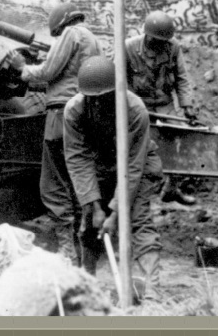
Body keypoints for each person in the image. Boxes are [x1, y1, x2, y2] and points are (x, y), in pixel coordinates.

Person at [4, 1, 102, 265]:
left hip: (61, 116)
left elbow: (48, 72)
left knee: (53, 183)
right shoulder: (93, 39)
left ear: (61, 23)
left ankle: (68, 250)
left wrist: (21, 67)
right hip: (86, 113)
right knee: (79, 178)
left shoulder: (70, 34)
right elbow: (62, 77)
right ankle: (86, 248)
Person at [63, 56, 163, 301]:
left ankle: (153, 291)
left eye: (104, 98)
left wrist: (117, 213)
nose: (97, 104)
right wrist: (96, 208)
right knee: (89, 223)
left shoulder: (135, 110)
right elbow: (78, 159)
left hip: (136, 163)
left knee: (138, 221)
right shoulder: (74, 110)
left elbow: (133, 165)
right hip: (99, 163)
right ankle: (87, 284)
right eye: (91, 99)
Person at [125, 10, 197, 206]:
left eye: (163, 41)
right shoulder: (129, 48)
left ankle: (171, 190)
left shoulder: (172, 48)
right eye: (156, 40)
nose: (160, 44)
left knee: (181, 142)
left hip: (164, 103)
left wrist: (187, 106)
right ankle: (136, 195)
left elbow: (181, 78)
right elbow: (118, 81)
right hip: (139, 104)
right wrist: (129, 106)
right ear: (147, 35)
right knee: (137, 147)